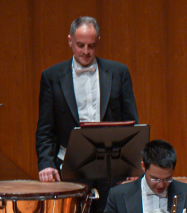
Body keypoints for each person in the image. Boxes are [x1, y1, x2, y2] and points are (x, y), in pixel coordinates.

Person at [35, 16, 137, 184]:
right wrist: (45, 163)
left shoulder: (119, 72)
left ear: (98, 41)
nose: (86, 52)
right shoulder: (51, 77)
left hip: (112, 167)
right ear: (70, 40)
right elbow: (45, 129)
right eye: (80, 45)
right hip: (69, 165)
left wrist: (133, 165)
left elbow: (131, 123)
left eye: (92, 46)